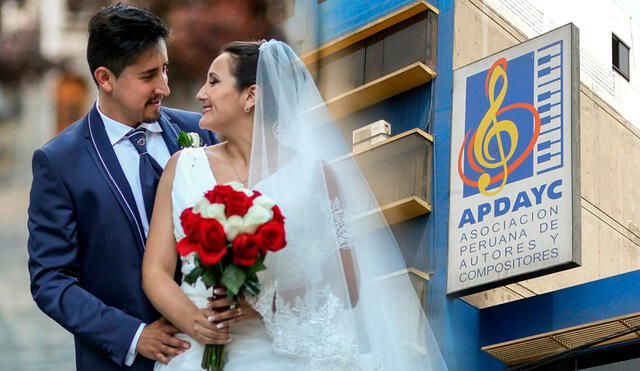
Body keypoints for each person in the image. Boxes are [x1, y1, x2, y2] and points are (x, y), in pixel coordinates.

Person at [142, 39, 449, 370]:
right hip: (194, 350)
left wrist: (263, 301)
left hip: (279, 352)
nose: (201, 93)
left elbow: (348, 283)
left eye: (214, 81)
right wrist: (194, 321)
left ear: (251, 95)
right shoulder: (182, 166)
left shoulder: (315, 175)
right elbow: (156, 270)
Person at [27, 4, 222, 371]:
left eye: (165, 69)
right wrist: (132, 335)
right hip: (123, 363)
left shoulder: (204, 132)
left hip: (218, 351)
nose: (164, 86)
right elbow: (51, 281)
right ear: (105, 78)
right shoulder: (59, 162)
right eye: (149, 75)